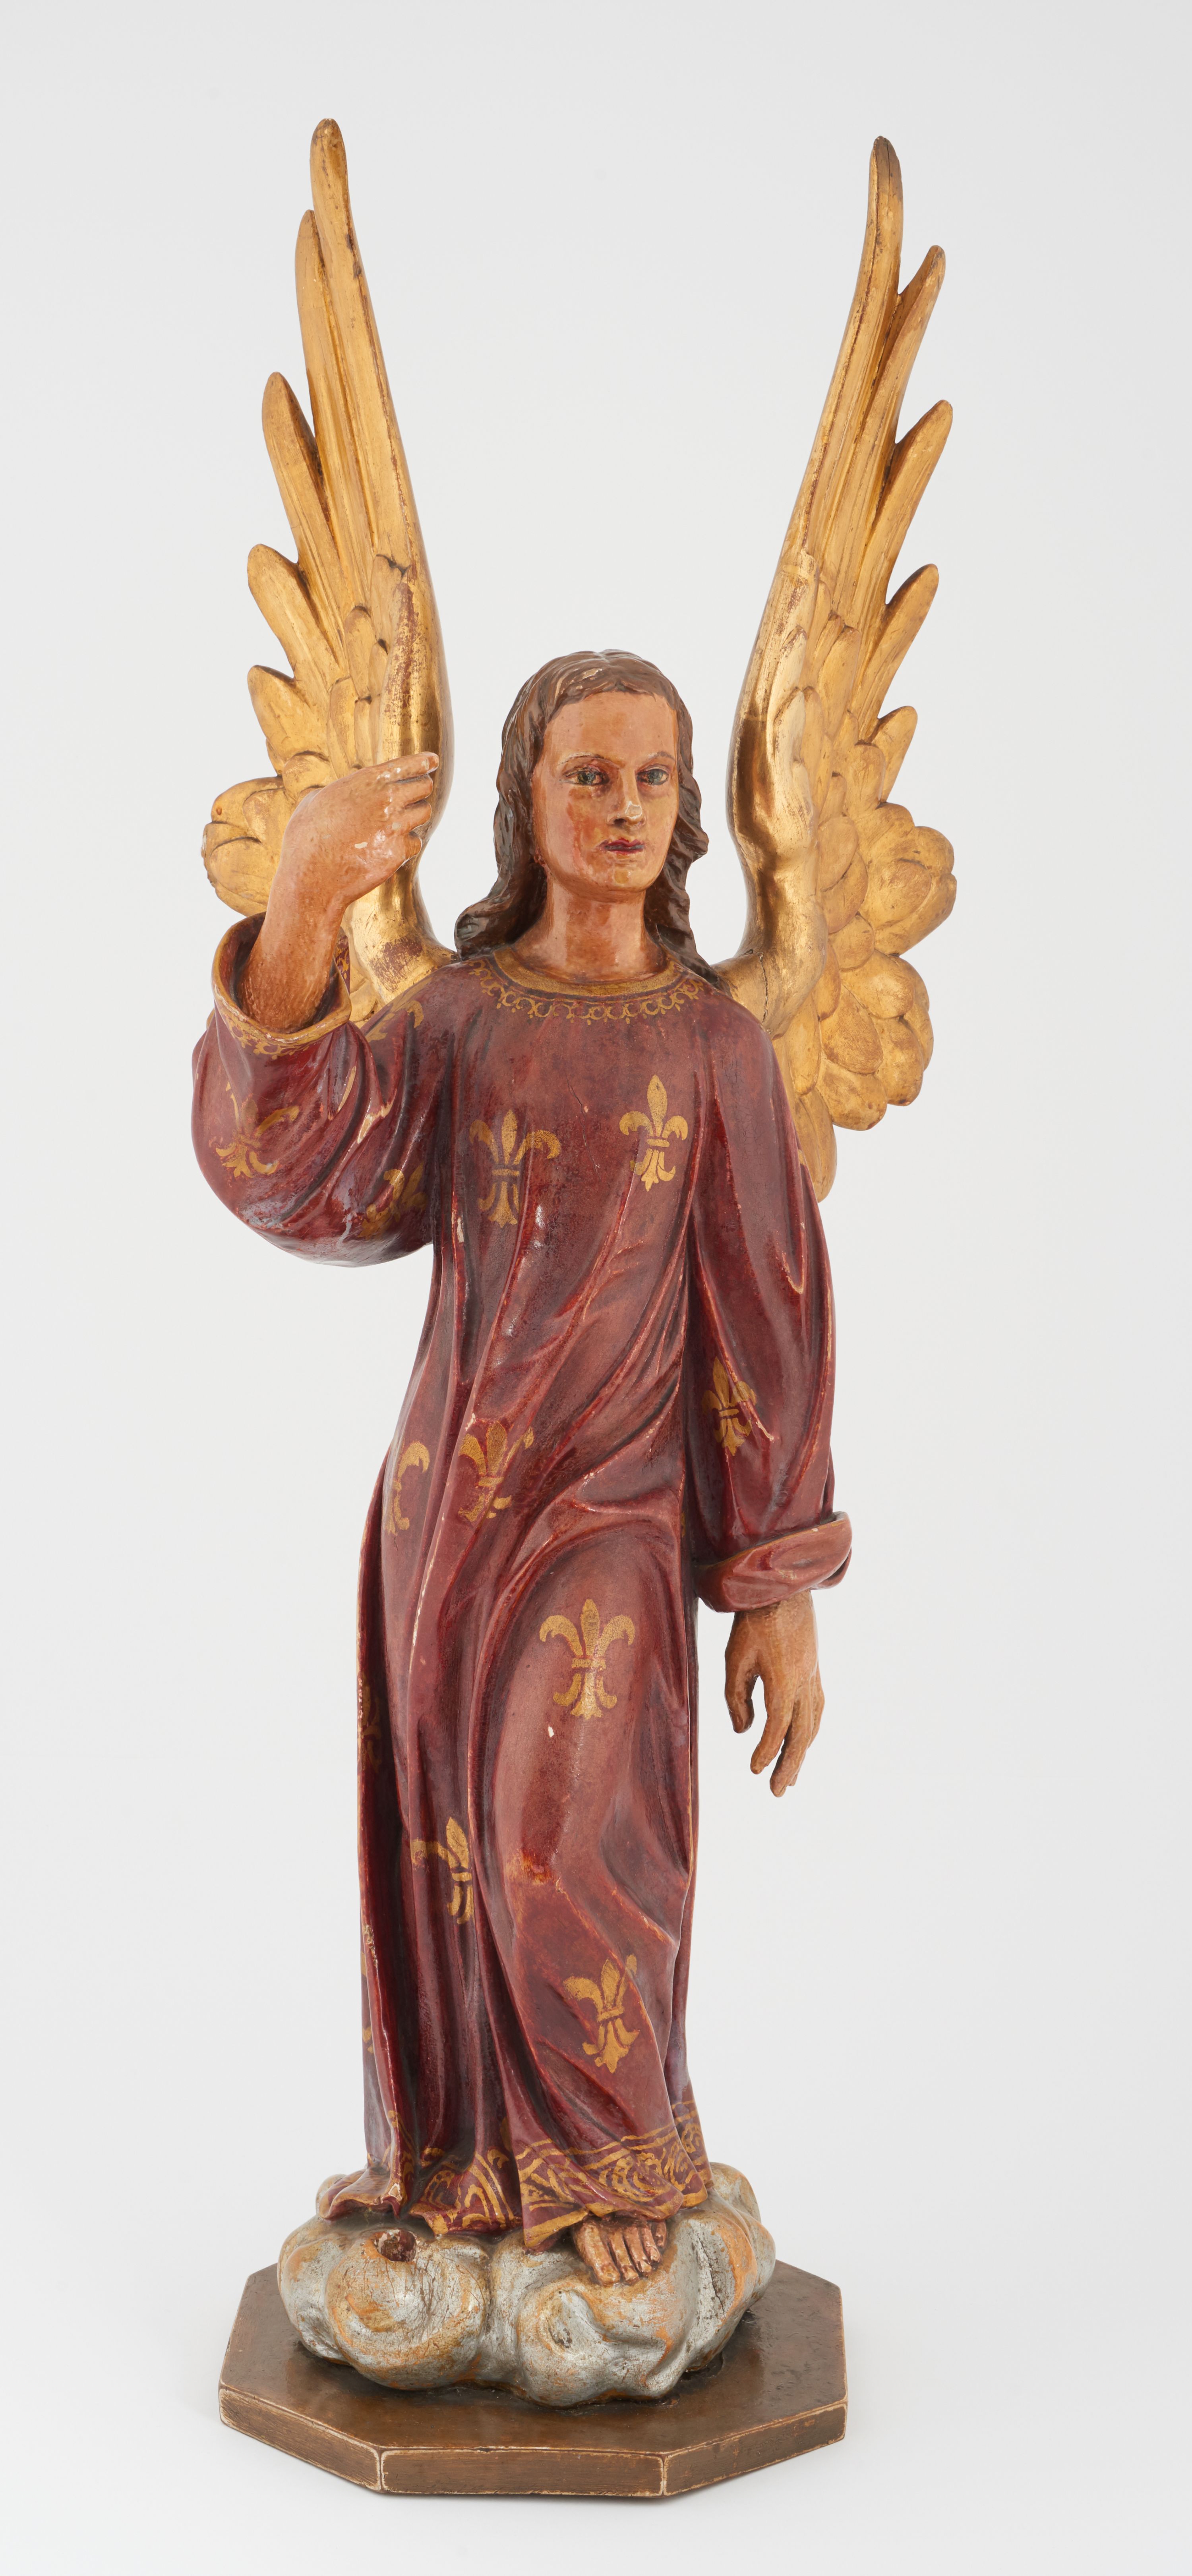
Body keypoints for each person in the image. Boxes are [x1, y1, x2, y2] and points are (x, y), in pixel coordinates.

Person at [192, 649, 850, 2288]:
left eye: (651, 778)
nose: (623, 807)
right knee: (450, 1845)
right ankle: (470, 2164)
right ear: (525, 799)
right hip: (453, 1509)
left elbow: (767, 1316)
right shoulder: (462, 1020)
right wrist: (303, 902)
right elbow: (298, 1171)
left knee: (561, 1829)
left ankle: (615, 2146)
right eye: (587, 775)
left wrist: (775, 1587)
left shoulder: (716, 1047)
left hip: (616, 1515)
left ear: (688, 810)